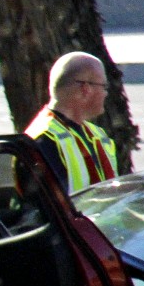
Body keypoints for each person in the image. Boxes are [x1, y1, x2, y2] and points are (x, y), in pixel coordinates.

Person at [26, 52, 118, 195]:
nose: (106, 93)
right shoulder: (44, 139)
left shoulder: (96, 134)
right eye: (104, 86)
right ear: (85, 89)